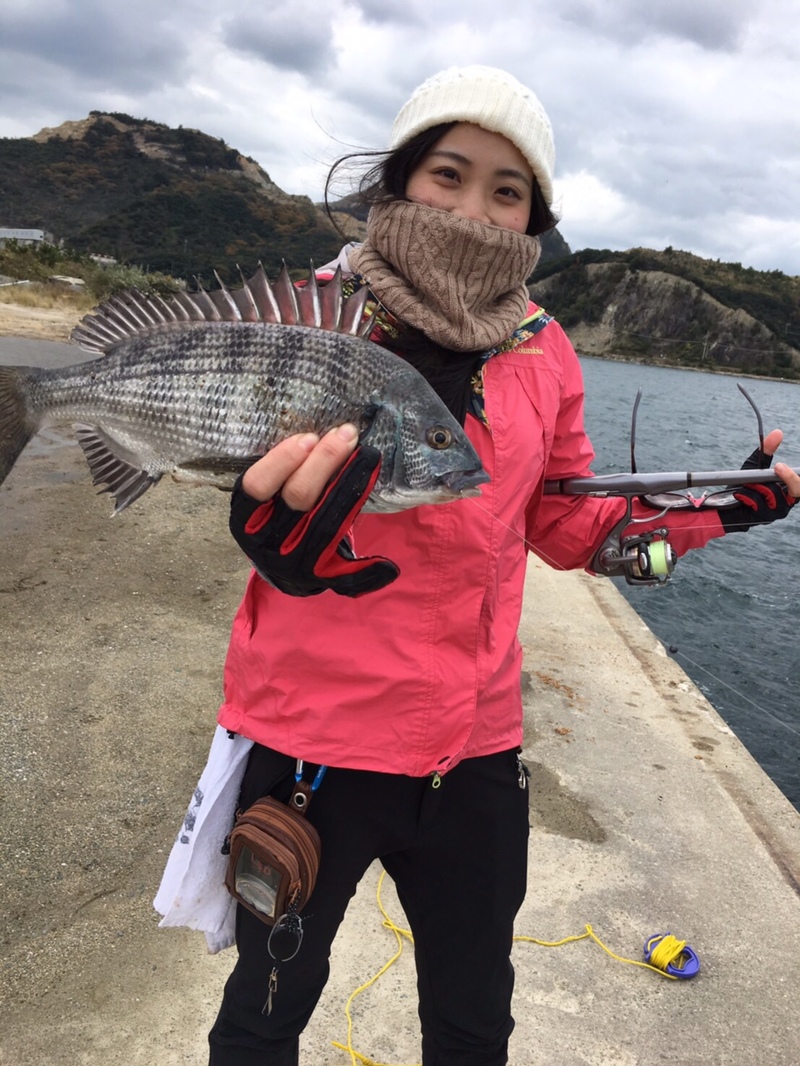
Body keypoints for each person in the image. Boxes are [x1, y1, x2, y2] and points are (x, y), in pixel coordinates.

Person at [157, 66, 800, 1065]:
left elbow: (568, 527)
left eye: (506, 190)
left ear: (532, 216)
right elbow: (225, 455)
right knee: (265, 1007)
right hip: (312, 748)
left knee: (471, 1020)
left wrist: (710, 515)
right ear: (401, 178)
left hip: (475, 754)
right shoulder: (311, 321)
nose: (473, 206)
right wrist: (251, 518)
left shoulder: (545, 354)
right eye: (448, 173)